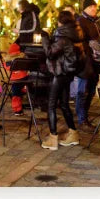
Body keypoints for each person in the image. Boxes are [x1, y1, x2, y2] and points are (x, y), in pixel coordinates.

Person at [43, 9, 82, 150]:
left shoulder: (63, 38)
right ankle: (73, 133)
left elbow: (50, 53)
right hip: (68, 74)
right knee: (64, 104)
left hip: (59, 73)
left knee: (51, 105)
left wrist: (45, 37)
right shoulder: (74, 34)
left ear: (60, 22)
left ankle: (53, 138)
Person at [74, 0, 100, 127]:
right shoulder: (81, 21)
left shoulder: (95, 21)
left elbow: (98, 38)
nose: (94, 9)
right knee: (82, 91)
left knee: (91, 90)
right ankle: (81, 118)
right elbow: (79, 40)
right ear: (85, 8)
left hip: (94, 61)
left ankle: (84, 115)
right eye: (91, 6)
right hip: (85, 61)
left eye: (95, 6)